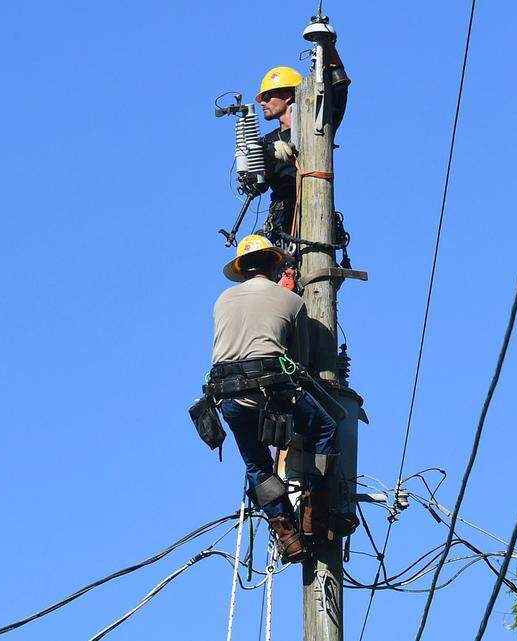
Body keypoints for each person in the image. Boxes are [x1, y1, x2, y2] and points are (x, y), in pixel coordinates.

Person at [204, 235, 338, 562]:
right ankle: (312, 508)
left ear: (242, 270)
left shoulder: (222, 300)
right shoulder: (291, 301)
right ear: (276, 265)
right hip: (273, 389)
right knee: (325, 427)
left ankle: (286, 532)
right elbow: (302, 362)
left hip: (229, 396)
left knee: (256, 463)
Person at [256, 52, 349, 244]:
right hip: (283, 221)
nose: (262, 103)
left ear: (288, 96)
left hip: (317, 214)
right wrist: (268, 155)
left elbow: (340, 92)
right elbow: (258, 185)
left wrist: (328, 47)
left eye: (266, 96)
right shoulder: (267, 142)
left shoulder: (318, 129)